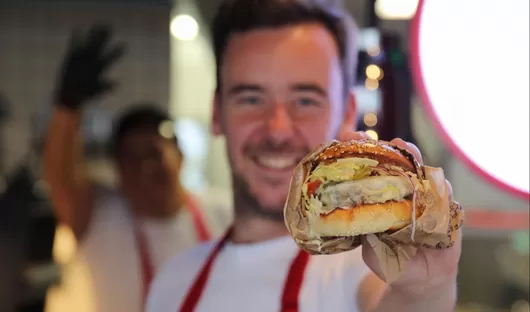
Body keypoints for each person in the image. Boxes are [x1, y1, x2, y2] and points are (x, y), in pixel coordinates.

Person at [146, 0, 462, 311]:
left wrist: (424, 290)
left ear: (347, 114)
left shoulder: (371, 265)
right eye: (251, 98)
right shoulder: (172, 283)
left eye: (306, 100)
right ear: (216, 113)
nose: (278, 130)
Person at [43, 25, 232, 312]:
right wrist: (67, 108)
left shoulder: (224, 213)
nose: (145, 168)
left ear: (180, 157)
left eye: (154, 154)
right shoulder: (102, 217)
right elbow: (60, 178)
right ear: (116, 169)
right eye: (131, 158)